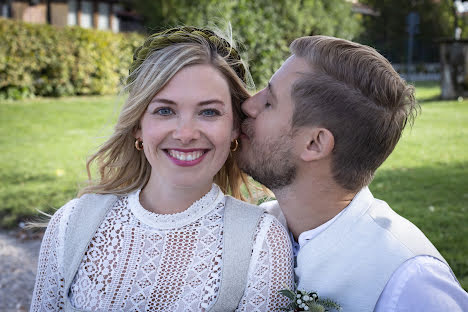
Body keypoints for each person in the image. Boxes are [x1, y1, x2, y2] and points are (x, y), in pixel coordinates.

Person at [30, 26, 294, 311]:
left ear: (233, 127)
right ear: (138, 126)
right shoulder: (71, 223)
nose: (185, 133)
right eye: (165, 110)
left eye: (209, 112)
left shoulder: (261, 242)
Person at [237, 35, 468, 311]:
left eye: (269, 102)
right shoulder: (253, 230)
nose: (248, 105)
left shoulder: (409, 281)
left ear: (314, 143)